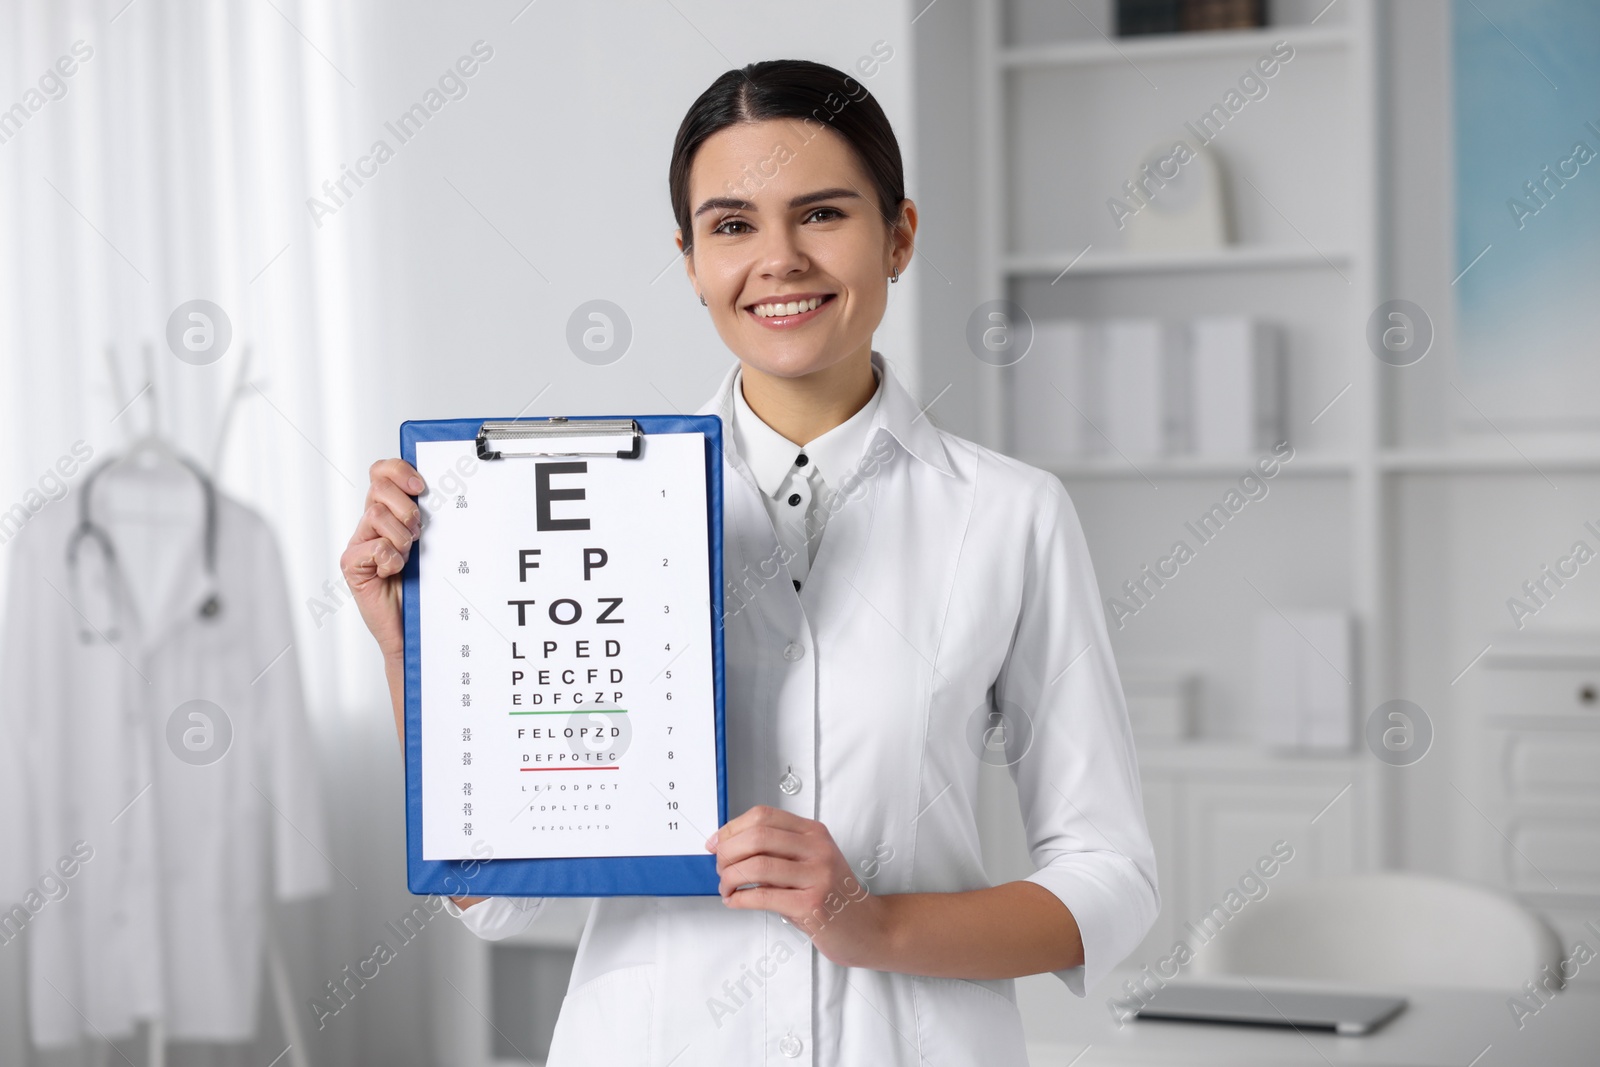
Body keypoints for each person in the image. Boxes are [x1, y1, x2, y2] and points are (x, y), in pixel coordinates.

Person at [342, 57, 1158, 1066]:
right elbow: (494, 888)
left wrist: (877, 924)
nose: (778, 258)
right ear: (688, 259)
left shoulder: (1009, 515)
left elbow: (1109, 874)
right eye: (731, 225)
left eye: (821, 214)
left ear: (898, 234)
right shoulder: (570, 510)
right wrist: (412, 648)